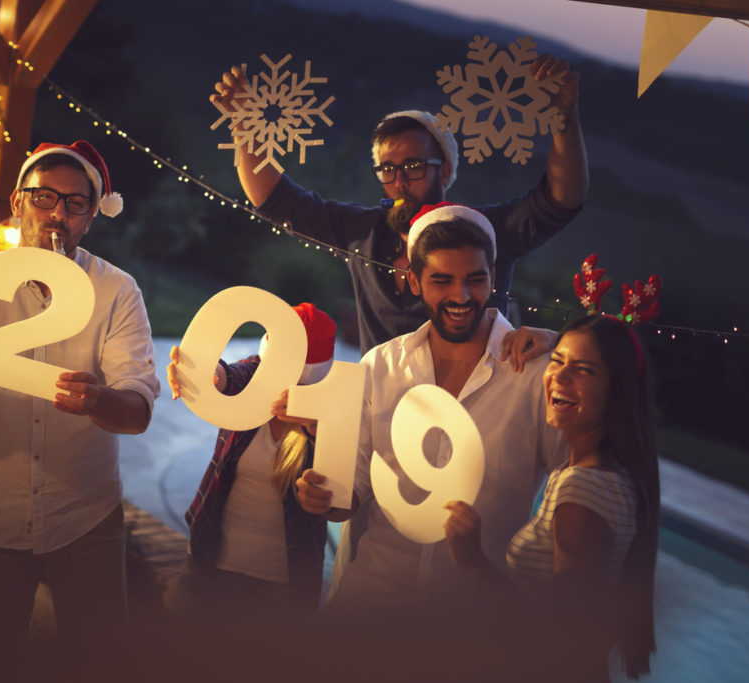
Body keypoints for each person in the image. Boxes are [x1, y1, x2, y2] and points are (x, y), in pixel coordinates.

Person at [0, 140, 161, 657]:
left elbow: (136, 414)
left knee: (99, 661)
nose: (58, 214)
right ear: (18, 202)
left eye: (76, 203)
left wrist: (99, 401)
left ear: (92, 216)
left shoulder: (117, 291)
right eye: (44, 197)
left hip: (86, 518)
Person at [211, 54, 588, 355]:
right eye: (388, 170)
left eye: (413, 166)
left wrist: (564, 119)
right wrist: (245, 126)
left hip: (476, 415)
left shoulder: (481, 231)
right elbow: (275, 200)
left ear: (445, 171)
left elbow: (561, 199)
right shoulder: (364, 231)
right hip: (382, 418)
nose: (401, 181)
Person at [294, 202, 567, 610]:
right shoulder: (380, 366)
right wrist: (321, 496)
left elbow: (574, 487)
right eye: (442, 281)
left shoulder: (536, 376)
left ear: (493, 278)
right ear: (414, 281)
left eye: (475, 280)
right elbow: (348, 494)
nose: (460, 296)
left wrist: (565, 344)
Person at [443, 314, 660, 681]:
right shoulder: (617, 476)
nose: (559, 376)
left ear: (616, 390)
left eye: (584, 370)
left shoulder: (581, 492)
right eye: (557, 361)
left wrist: (473, 561)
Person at [164, 303, 337, 615]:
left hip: (280, 589)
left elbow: (342, 495)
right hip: (205, 562)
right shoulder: (254, 372)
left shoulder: (335, 414)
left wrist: (314, 427)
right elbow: (231, 375)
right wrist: (207, 373)